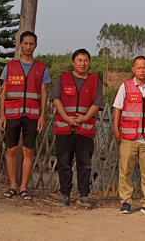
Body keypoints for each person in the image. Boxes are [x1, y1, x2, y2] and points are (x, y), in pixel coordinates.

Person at [0, 31, 50, 201]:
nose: (28, 47)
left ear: (35, 45)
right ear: (19, 44)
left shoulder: (42, 68)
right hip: (12, 113)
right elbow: (4, 91)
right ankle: (12, 185)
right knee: (11, 149)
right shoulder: (10, 66)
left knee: (28, 150)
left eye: (31, 43)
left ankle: (23, 187)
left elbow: (43, 93)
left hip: (33, 114)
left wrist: (42, 115)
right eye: (25, 43)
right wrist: (2, 115)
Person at [113, 56, 145, 216]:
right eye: (139, 67)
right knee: (125, 170)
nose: (142, 70)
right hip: (129, 137)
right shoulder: (125, 86)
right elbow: (117, 108)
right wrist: (116, 129)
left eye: (144, 67)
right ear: (133, 69)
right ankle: (125, 202)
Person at [51, 48, 103, 208]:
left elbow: (97, 103)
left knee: (84, 164)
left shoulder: (95, 80)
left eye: (86, 60)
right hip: (64, 129)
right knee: (64, 163)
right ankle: (65, 194)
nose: (83, 63)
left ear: (89, 63)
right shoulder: (63, 78)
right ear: (73, 62)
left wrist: (86, 118)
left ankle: (84, 195)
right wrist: (66, 118)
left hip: (85, 131)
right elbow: (56, 99)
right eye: (79, 60)